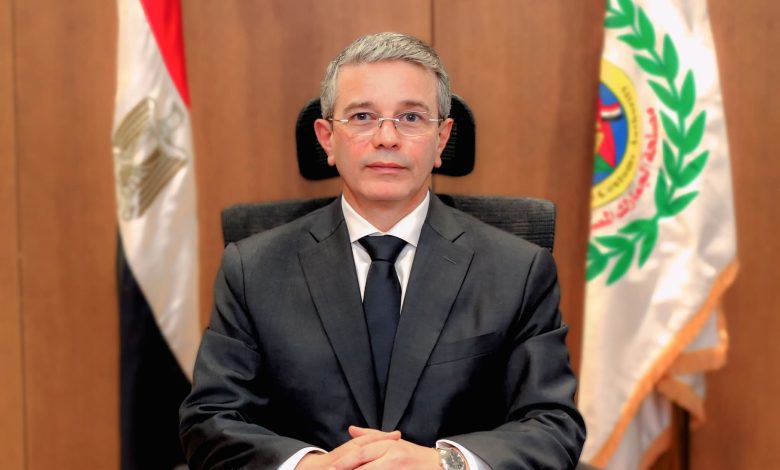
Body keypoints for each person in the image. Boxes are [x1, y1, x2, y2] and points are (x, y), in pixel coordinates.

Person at [180, 32, 586, 469]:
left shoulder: (518, 270)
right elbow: (210, 420)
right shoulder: (253, 269)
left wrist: (444, 463)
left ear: (442, 138)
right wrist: (309, 466)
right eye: (362, 116)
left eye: (411, 117)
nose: (387, 137)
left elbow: (553, 426)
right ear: (326, 138)